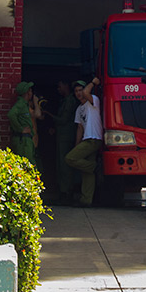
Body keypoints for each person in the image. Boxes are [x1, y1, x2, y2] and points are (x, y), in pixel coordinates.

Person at [65, 77, 102, 206]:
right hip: (86, 140)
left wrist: (92, 83)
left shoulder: (93, 101)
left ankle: (97, 168)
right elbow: (79, 128)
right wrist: (77, 145)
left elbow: (87, 93)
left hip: (94, 139)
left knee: (70, 158)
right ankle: (86, 200)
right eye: (76, 91)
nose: (79, 93)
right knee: (87, 172)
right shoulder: (78, 109)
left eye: (81, 89)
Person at [51, 80, 79, 204]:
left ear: (66, 86)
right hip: (62, 136)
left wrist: (48, 115)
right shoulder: (65, 101)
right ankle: (64, 191)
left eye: (60, 86)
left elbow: (64, 120)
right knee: (61, 164)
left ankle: (66, 192)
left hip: (66, 137)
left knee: (65, 165)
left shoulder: (69, 101)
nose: (58, 89)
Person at [8, 81, 42, 165]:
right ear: (27, 92)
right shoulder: (21, 104)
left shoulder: (25, 105)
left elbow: (37, 114)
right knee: (27, 164)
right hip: (22, 140)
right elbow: (11, 114)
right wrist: (20, 129)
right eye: (30, 91)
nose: (31, 93)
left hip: (26, 140)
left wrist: (36, 103)